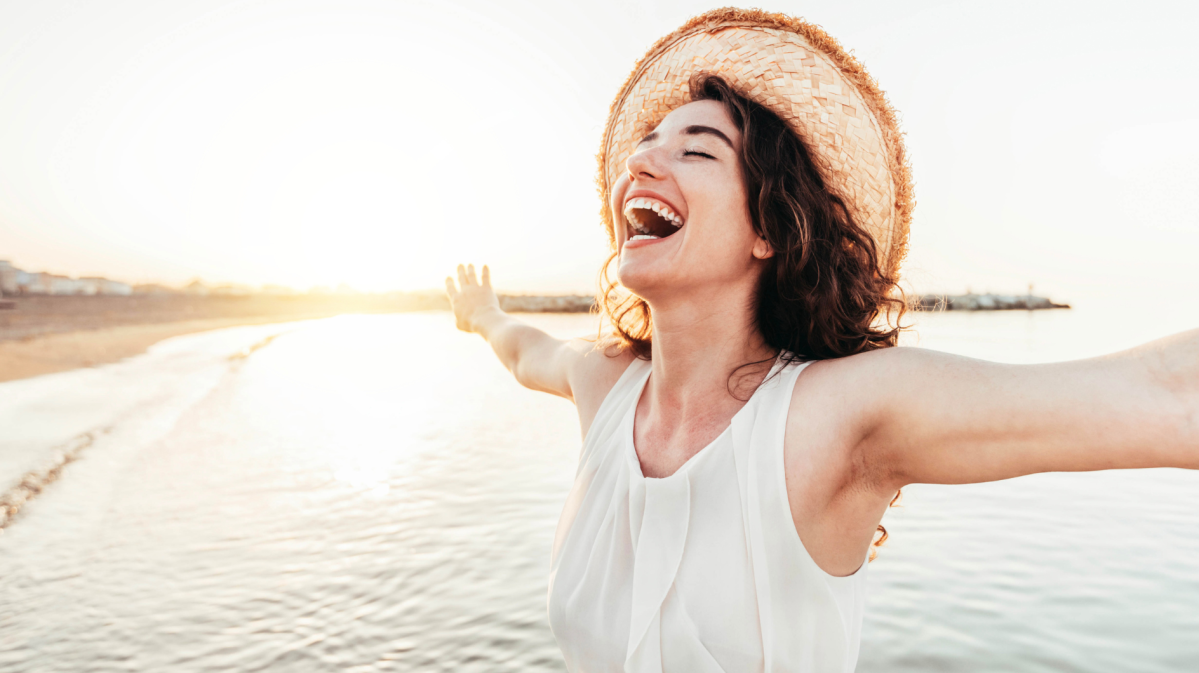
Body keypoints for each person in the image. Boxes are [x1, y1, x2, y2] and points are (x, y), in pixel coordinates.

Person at [444, 9, 1198, 673]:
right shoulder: (602, 382)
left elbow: (1165, 391)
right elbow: (519, 348)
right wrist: (481, 312)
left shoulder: (833, 417)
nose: (640, 160)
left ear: (770, 228)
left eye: (695, 150)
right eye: (647, 142)